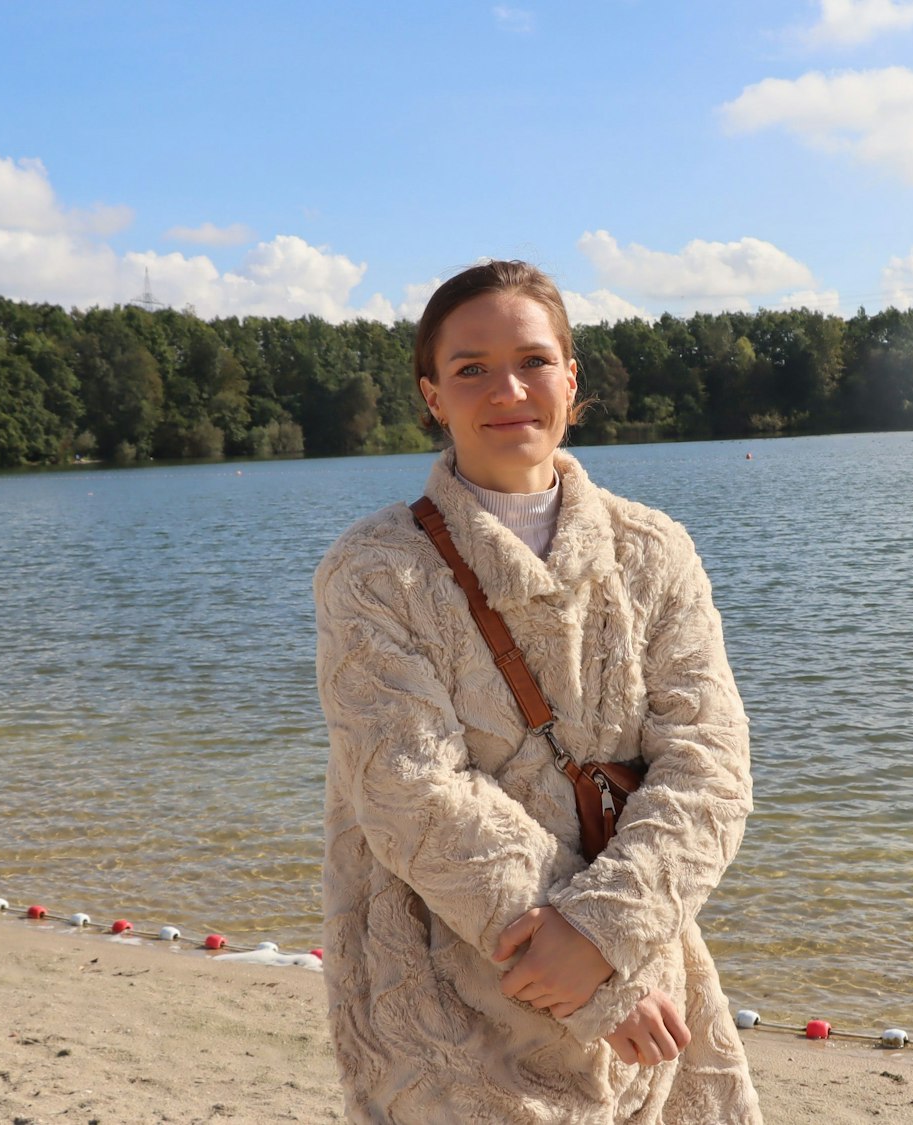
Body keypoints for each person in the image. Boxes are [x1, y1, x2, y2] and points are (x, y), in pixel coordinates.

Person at [313, 259, 763, 1123]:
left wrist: (604, 938)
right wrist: (593, 982)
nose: (507, 388)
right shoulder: (373, 570)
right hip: (442, 978)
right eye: (470, 367)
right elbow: (408, 788)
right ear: (433, 396)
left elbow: (710, 763)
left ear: (571, 378)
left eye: (532, 360)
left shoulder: (653, 551)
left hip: (645, 959)